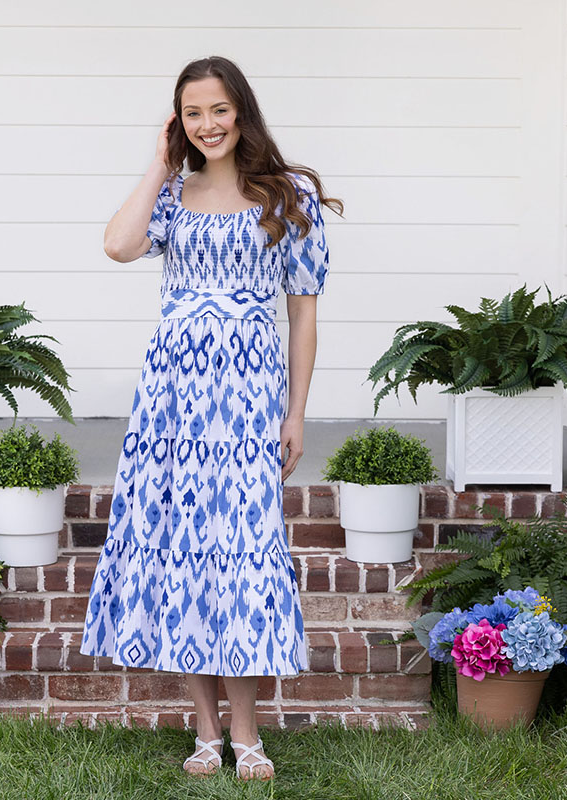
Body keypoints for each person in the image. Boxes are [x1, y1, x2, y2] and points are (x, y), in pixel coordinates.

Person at [80, 55, 344, 781]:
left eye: (219, 110)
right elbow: (117, 244)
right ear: (180, 122)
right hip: (172, 397)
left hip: (249, 397)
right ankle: (204, 731)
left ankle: (248, 730)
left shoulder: (287, 196)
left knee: (242, 551)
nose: (209, 125)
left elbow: (303, 314)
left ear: (242, 111)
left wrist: (296, 412)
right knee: (183, 553)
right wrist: (160, 163)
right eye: (193, 114)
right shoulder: (174, 192)